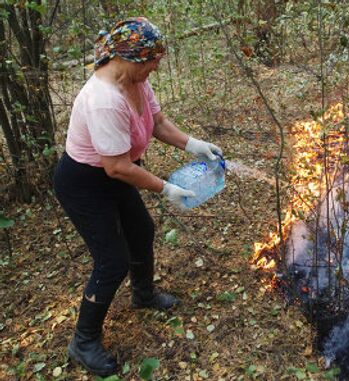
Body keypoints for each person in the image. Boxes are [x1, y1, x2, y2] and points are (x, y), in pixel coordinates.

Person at [53, 17, 222, 377]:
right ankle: (83, 341)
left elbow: (158, 124)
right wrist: (166, 188)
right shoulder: (103, 100)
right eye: (152, 60)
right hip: (85, 183)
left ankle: (143, 295)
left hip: (115, 175)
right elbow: (115, 166)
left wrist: (193, 144)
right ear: (130, 57)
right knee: (111, 261)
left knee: (141, 232)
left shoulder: (135, 81)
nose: (157, 66)